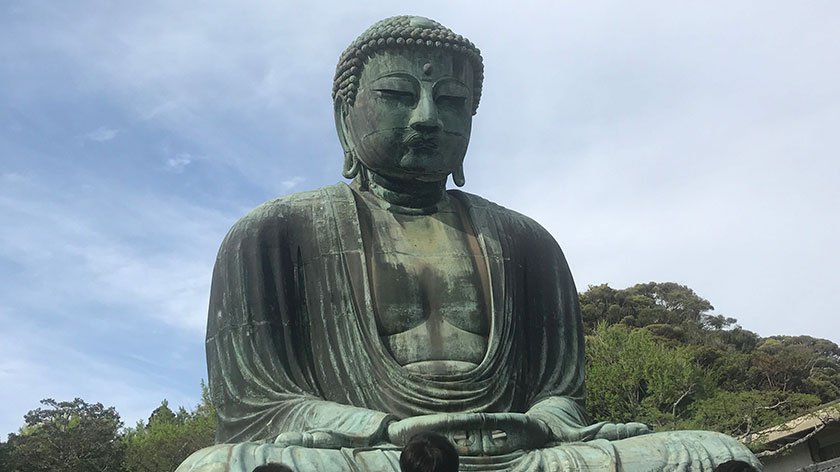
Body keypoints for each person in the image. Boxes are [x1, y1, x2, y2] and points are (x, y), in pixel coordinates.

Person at [175, 16, 763, 471]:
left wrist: (543, 422)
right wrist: (385, 430)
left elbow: (560, 395)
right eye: (399, 94)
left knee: (713, 454)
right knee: (219, 466)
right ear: (344, 116)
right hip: (371, 455)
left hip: (519, 455)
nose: (427, 117)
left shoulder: (526, 242)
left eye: (452, 102)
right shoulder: (273, 235)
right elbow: (259, 407)